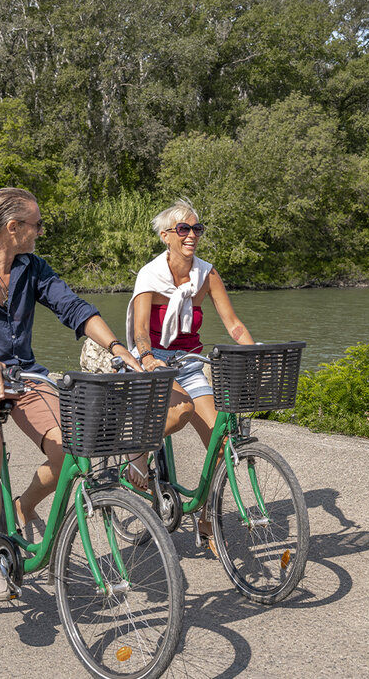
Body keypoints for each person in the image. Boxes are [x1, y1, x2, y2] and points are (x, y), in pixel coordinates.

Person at [0, 187, 142, 603]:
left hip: (22, 376)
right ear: (12, 228)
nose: (41, 230)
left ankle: (22, 507)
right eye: (36, 224)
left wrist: (118, 349)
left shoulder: (32, 267)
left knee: (73, 450)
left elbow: (75, 309)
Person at [125, 198, 254, 542]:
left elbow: (234, 324)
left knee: (221, 440)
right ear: (167, 236)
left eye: (197, 228)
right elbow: (140, 331)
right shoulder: (150, 275)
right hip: (154, 360)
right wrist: (149, 358)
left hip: (189, 361)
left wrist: (253, 352)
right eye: (184, 228)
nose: (192, 235)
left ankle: (208, 514)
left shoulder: (206, 274)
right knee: (179, 413)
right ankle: (137, 450)